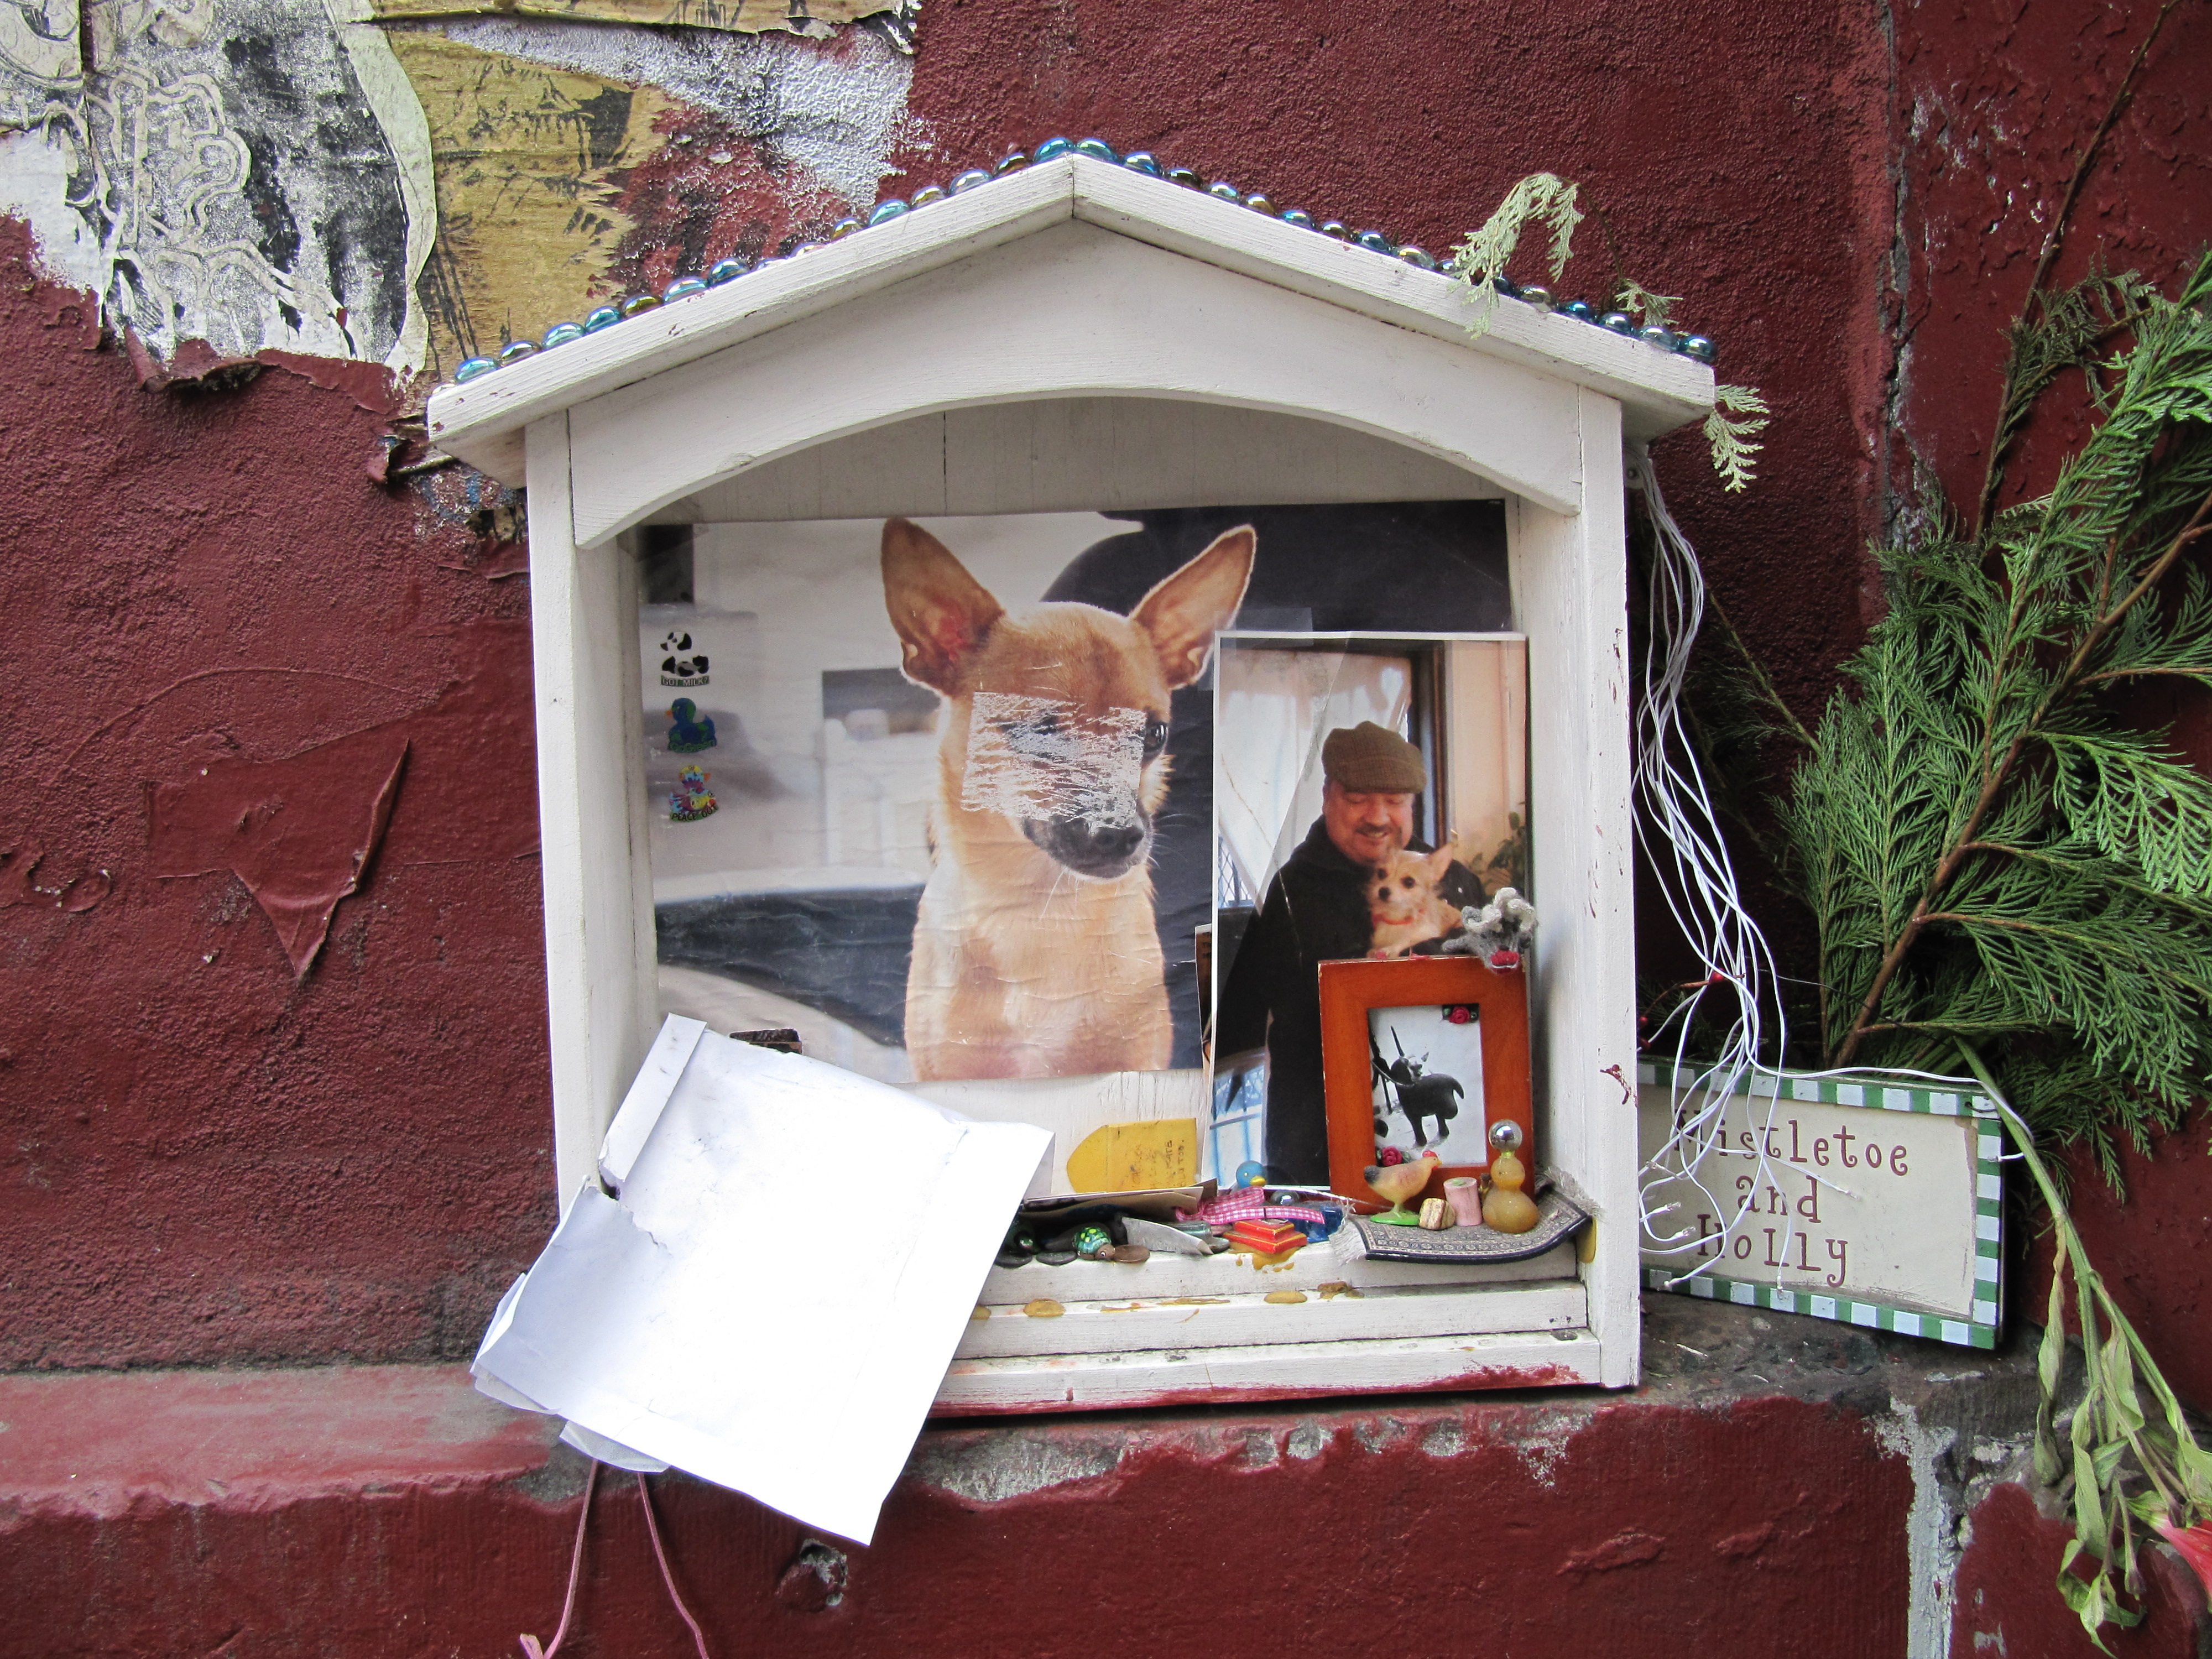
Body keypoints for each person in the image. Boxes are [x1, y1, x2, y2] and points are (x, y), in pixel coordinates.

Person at [1214, 721, 1484, 1184]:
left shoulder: (1454, 881)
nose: (1377, 817)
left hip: (1443, 1135)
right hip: (1317, 1136)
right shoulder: (1288, 892)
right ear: (1327, 796)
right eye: (1358, 800)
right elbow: (1239, 1022)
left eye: (1396, 802)